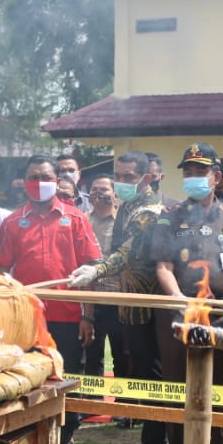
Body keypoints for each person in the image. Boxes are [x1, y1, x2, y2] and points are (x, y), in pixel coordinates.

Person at [150, 143, 223, 444]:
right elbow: (163, 266)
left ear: (217, 176)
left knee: (222, 385)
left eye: (201, 171)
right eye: (188, 172)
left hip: (221, 313)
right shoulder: (169, 219)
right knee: (176, 384)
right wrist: (178, 299)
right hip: (178, 312)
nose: (193, 177)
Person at [0, 154, 102, 444]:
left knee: (66, 376)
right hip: (27, 319)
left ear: (57, 180)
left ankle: (66, 437)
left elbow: (91, 269)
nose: (39, 183)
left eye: (45, 176)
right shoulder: (13, 222)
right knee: (28, 377)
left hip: (69, 315)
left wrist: (88, 317)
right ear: (23, 182)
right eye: (33, 177)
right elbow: (2, 272)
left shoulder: (76, 219)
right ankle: (28, 436)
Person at [69, 151, 169, 444]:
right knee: (142, 375)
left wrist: (95, 270)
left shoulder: (150, 212)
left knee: (154, 378)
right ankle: (152, 443)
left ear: (146, 178)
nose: (122, 182)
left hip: (149, 307)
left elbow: (126, 253)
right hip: (128, 305)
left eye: (129, 177)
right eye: (119, 176)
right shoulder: (127, 206)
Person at [79, 174, 128, 409]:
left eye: (103, 189)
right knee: (92, 353)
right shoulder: (83, 220)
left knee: (122, 353)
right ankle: (93, 402)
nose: (98, 193)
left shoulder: (124, 221)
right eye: (94, 189)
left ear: (114, 193)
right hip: (91, 297)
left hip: (119, 297)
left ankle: (123, 405)